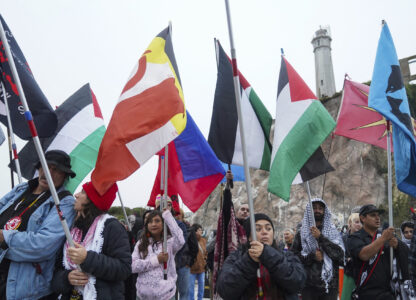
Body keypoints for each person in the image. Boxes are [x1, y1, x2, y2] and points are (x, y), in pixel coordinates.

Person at [0, 150, 76, 300]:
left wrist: (4, 238)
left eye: (56, 170)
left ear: (65, 176)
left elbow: (43, 246)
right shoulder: (21, 189)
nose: (49, 172)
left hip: (24, 289)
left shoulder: (65, 203)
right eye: (45, 167)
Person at [51, 181, 131, 299]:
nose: (76, 195)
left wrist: (87, 258)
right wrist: (66, 278)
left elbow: (124, 268)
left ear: (93, 199)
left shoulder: (112, 227)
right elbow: (57, 270)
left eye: (83, 192)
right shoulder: (72, 229)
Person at [217, 213, 306, 300]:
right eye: (258, 229)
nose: (264, 232)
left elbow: (298, 282)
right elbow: (225, 290)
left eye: (268, 228)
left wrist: (267, 254)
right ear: (249, 237)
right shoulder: (236, 257)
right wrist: (249, 261)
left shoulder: (287, 255)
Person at [347, 204, 409, 299]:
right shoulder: (355, 237)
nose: (377, 218)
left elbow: (407, 252)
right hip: (366, 293)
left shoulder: (386, 235)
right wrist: (383, 239)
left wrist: (397, 245)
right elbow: (364, 255)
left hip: (388, 292)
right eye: (373, 215)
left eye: (378, 215)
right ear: (362, 218)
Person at [292, 198, 345, 300]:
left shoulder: (333, 233)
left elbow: (339, 255)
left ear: (325, 212)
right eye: (314, 208)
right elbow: (293, 258)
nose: (317, 210)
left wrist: (320, 237)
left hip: (330, 286)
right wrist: (312, 257)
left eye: (320, 208)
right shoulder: (301, 233)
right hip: (308, 286)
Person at [132, 208, 185, 300]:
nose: (153, 224)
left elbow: (180, 239)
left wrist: (168, 216)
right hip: (142, 296)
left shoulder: (170, 243)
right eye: (150, 222)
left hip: (166, 296)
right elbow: (132, 266)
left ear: (164, 223)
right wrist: (156, 260)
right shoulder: (140, 243)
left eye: (157, 221)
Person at [340, 213, 362, 300]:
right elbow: (338, 255)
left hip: (362, 274)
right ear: (350, 223)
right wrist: (346, 259)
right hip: (348, 274)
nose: (359, 225)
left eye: (361, 222)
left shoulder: (365, 238)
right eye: (356, 222)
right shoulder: (343, 239)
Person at [189, 224, 207, 300]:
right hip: (191, 268)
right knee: (191, 287)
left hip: (202, 267)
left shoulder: (203, 240)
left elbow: (205, 252)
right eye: (200, 230)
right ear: (195, 231)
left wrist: (205, 260)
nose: (201, 231)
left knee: (202, 286)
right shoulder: (190, 240)